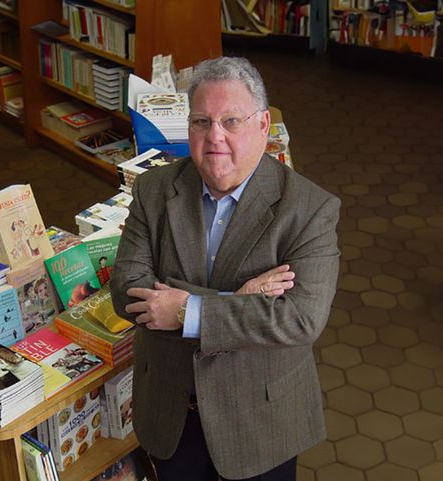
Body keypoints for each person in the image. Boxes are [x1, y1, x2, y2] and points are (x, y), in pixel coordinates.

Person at [111, 57, 340, 481]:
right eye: (201, 121)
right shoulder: (153, 189)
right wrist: (239, 302)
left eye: (231, 121)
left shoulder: (310, 210)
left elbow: (299, 319)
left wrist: (186, 309)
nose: (215, 137)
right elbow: (128, 290)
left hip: (259, 422)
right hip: (171, 411)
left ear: (262, 125)